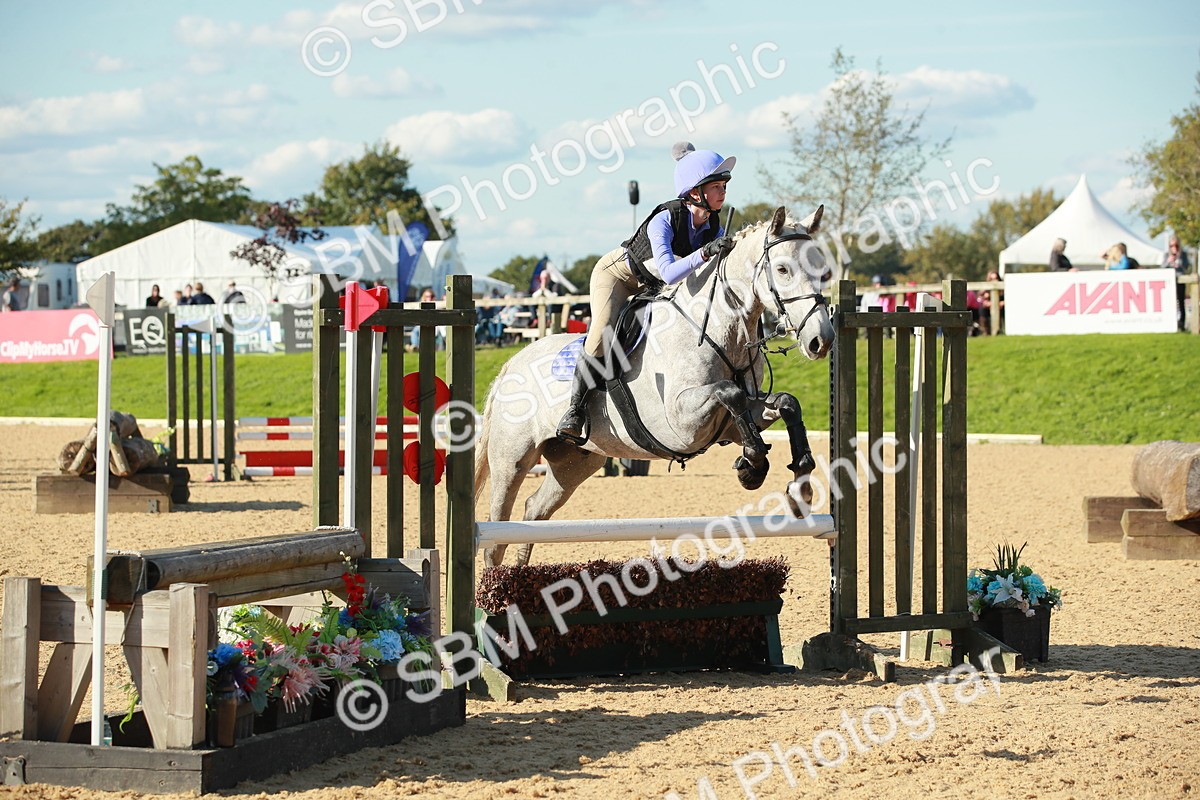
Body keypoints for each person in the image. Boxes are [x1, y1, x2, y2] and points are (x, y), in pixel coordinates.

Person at [556, 141, 736, 445]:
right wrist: (705, 253)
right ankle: (574, 410)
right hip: (618, 276)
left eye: (723, 186)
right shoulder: (664, 219)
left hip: (655, 286)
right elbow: (668, 271)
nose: (723, 192)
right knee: (601, 335)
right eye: (716, 186)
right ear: (695, 192)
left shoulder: (714, 225)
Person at [1163, 235, 1191, 331]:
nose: (1174, 248)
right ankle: (1170, 322)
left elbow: (1187, 267)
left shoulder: (1183, 255)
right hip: (1169, 282)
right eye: (1171, 246)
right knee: (1170, 302)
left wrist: (1179, 261)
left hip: (1180, 280)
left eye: (1176, 245)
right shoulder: (1166, 255)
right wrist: (1168, 262)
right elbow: (1162, 268)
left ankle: (1181, 323)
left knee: (1180, 301)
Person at [979, 270, 1004, 335]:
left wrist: (1002, 303)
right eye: (991, 279)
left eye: (995, 278)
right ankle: (985, 332)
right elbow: (979, 299)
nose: (994, 281)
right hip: (988, 308)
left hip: (1000, 308)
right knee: (982, 310)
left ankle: (998, 331)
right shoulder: (985, 290)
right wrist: (985, 302)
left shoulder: (1003, 289)